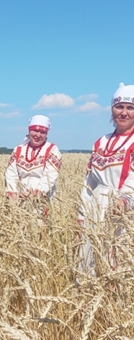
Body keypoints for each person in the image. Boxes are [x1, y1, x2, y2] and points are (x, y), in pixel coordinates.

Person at [78, 82, 134, 274]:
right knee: (89, 260)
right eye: (119, 107)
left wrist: (124, 200)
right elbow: (89, 182)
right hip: (95, 208)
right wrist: (82, 215)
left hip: (123, 212)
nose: (124, 112)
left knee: (119, 261)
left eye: (130, 108)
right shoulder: (100, 142)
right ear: (112, 109)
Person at [5, 115, 62, 201]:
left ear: (46, 134)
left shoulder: (52, 150)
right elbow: (11, 174)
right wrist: (13, 192)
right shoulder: (18, 150)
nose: (38, 135)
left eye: (42, 132)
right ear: (29, 130)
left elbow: (49, 176)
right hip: (19, 199)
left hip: (43, 199)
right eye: (35, 130)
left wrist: (37, 193)